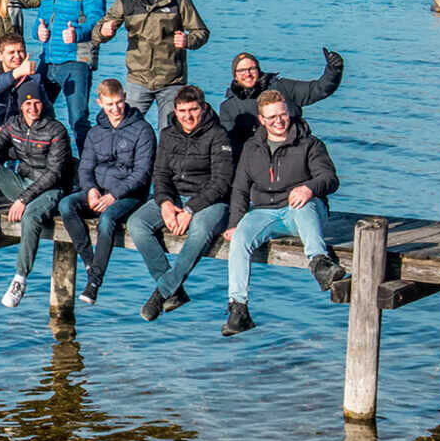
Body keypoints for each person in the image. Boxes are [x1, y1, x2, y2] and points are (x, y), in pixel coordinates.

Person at [221, 90, 346, 336]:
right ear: (261, 119)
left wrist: (309, 187)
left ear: (288, 113)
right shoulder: (252, 147)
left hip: (302, 213)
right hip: (265, 212)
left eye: (282, 115)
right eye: (271, 117)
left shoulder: (309, 143)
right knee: (240, 238)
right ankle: (239, 308)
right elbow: (240, 188)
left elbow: (330, 179)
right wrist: (235, 222)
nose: (278, 121)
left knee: (302, 204)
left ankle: (320, 263)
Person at [0, 77, 72, 308]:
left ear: (43, 104)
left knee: (30, 217)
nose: (32, 108)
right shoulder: (14, 125)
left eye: (36, 102)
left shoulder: (56, 130)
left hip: (50, 190)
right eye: (27, 104)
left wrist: (22, 200)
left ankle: (20, 279)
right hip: (22, 183)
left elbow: (55, 173)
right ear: (20, 106)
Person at [129, 85, 232, 320]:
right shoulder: (168, 134)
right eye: (182, 110)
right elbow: (160, 174)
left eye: (193, 110)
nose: (188, 116)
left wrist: (190, 210)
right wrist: (165, 202)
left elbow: (221, 182)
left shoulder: (218, 135)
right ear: (175, 111)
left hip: (209, 201)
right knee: (137, 223)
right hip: (174, 197)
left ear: (203, 108)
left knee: (200, 229)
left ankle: (162, 292)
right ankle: (175, 291)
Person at [55, 78, 156, 305]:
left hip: (129, 196)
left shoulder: (143, 130)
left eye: (119, 103)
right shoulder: (95, 132)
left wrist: (113, 196)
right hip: (98, 191)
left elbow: (142, 174)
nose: (116, 109)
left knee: (107, 219)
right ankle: (90, 262)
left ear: (125, 98)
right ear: (99, 102)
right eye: (110, 104)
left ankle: (94, 282)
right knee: (66, 205)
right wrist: (90, 189)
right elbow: (86, 167)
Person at [95, 0, 210, 126]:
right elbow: (97, 33)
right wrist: (104, 32)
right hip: (138, 79)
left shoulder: (178, 0)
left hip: (172, 80)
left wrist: (189, 40)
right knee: (125, 126)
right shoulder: (126, 2)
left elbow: (201, 31)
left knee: (170, 131)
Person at [32, 0, 107, 149]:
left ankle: (88, 173)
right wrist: (37, 32)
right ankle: (43, 166)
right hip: (48, 59)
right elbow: (40, 18)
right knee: (34, 114)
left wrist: (78, 33)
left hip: (76, 61)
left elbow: (97, 22)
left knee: (78, 120)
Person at [218, 48, 346, 153]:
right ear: (235, 75)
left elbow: (318, 89)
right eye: (241, 70)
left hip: (295, 150)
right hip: (257, 160)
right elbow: (230, 144)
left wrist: (334, 70)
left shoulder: (282, 87)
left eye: (252, 68)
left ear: (259, 69)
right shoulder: (228, 107)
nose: (247, 74)